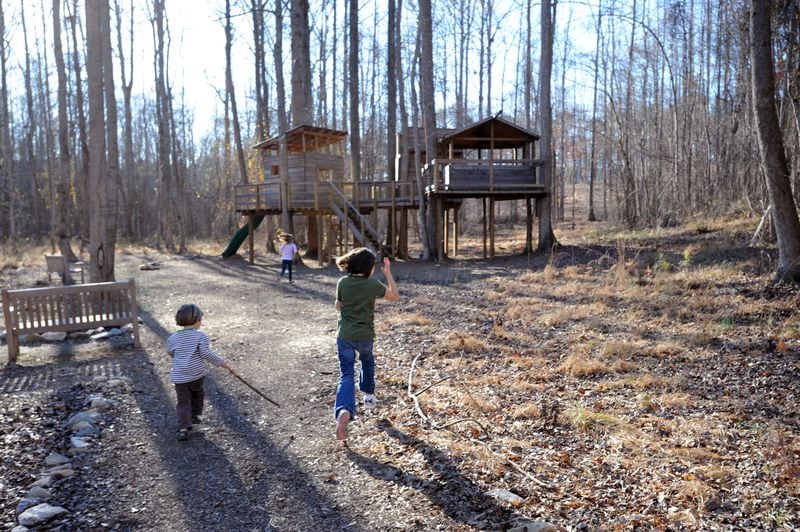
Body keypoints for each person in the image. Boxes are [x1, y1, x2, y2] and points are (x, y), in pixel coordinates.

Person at [333, 248, 400, 440]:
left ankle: (344, 411)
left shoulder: (343, 282)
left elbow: (338, 306)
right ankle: (368, 397)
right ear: (369, 268)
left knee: (346, 374)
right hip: (365, 335)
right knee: (367, 362)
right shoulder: (372, 285)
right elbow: (395, 296)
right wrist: (388, 274)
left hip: (345, 335)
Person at [166, 304, 230, 441]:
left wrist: (181, 358)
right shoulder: (200, 336)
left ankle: (183, 427)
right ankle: (194, 415)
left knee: (183, 401)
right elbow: (205, 353)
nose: (201, 322)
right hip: (196, 375)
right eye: (201, 319)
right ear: (196, 320)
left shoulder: (172, 338)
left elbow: (171, 352)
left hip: (180, 377)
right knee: (197, 394)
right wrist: (221, 362)